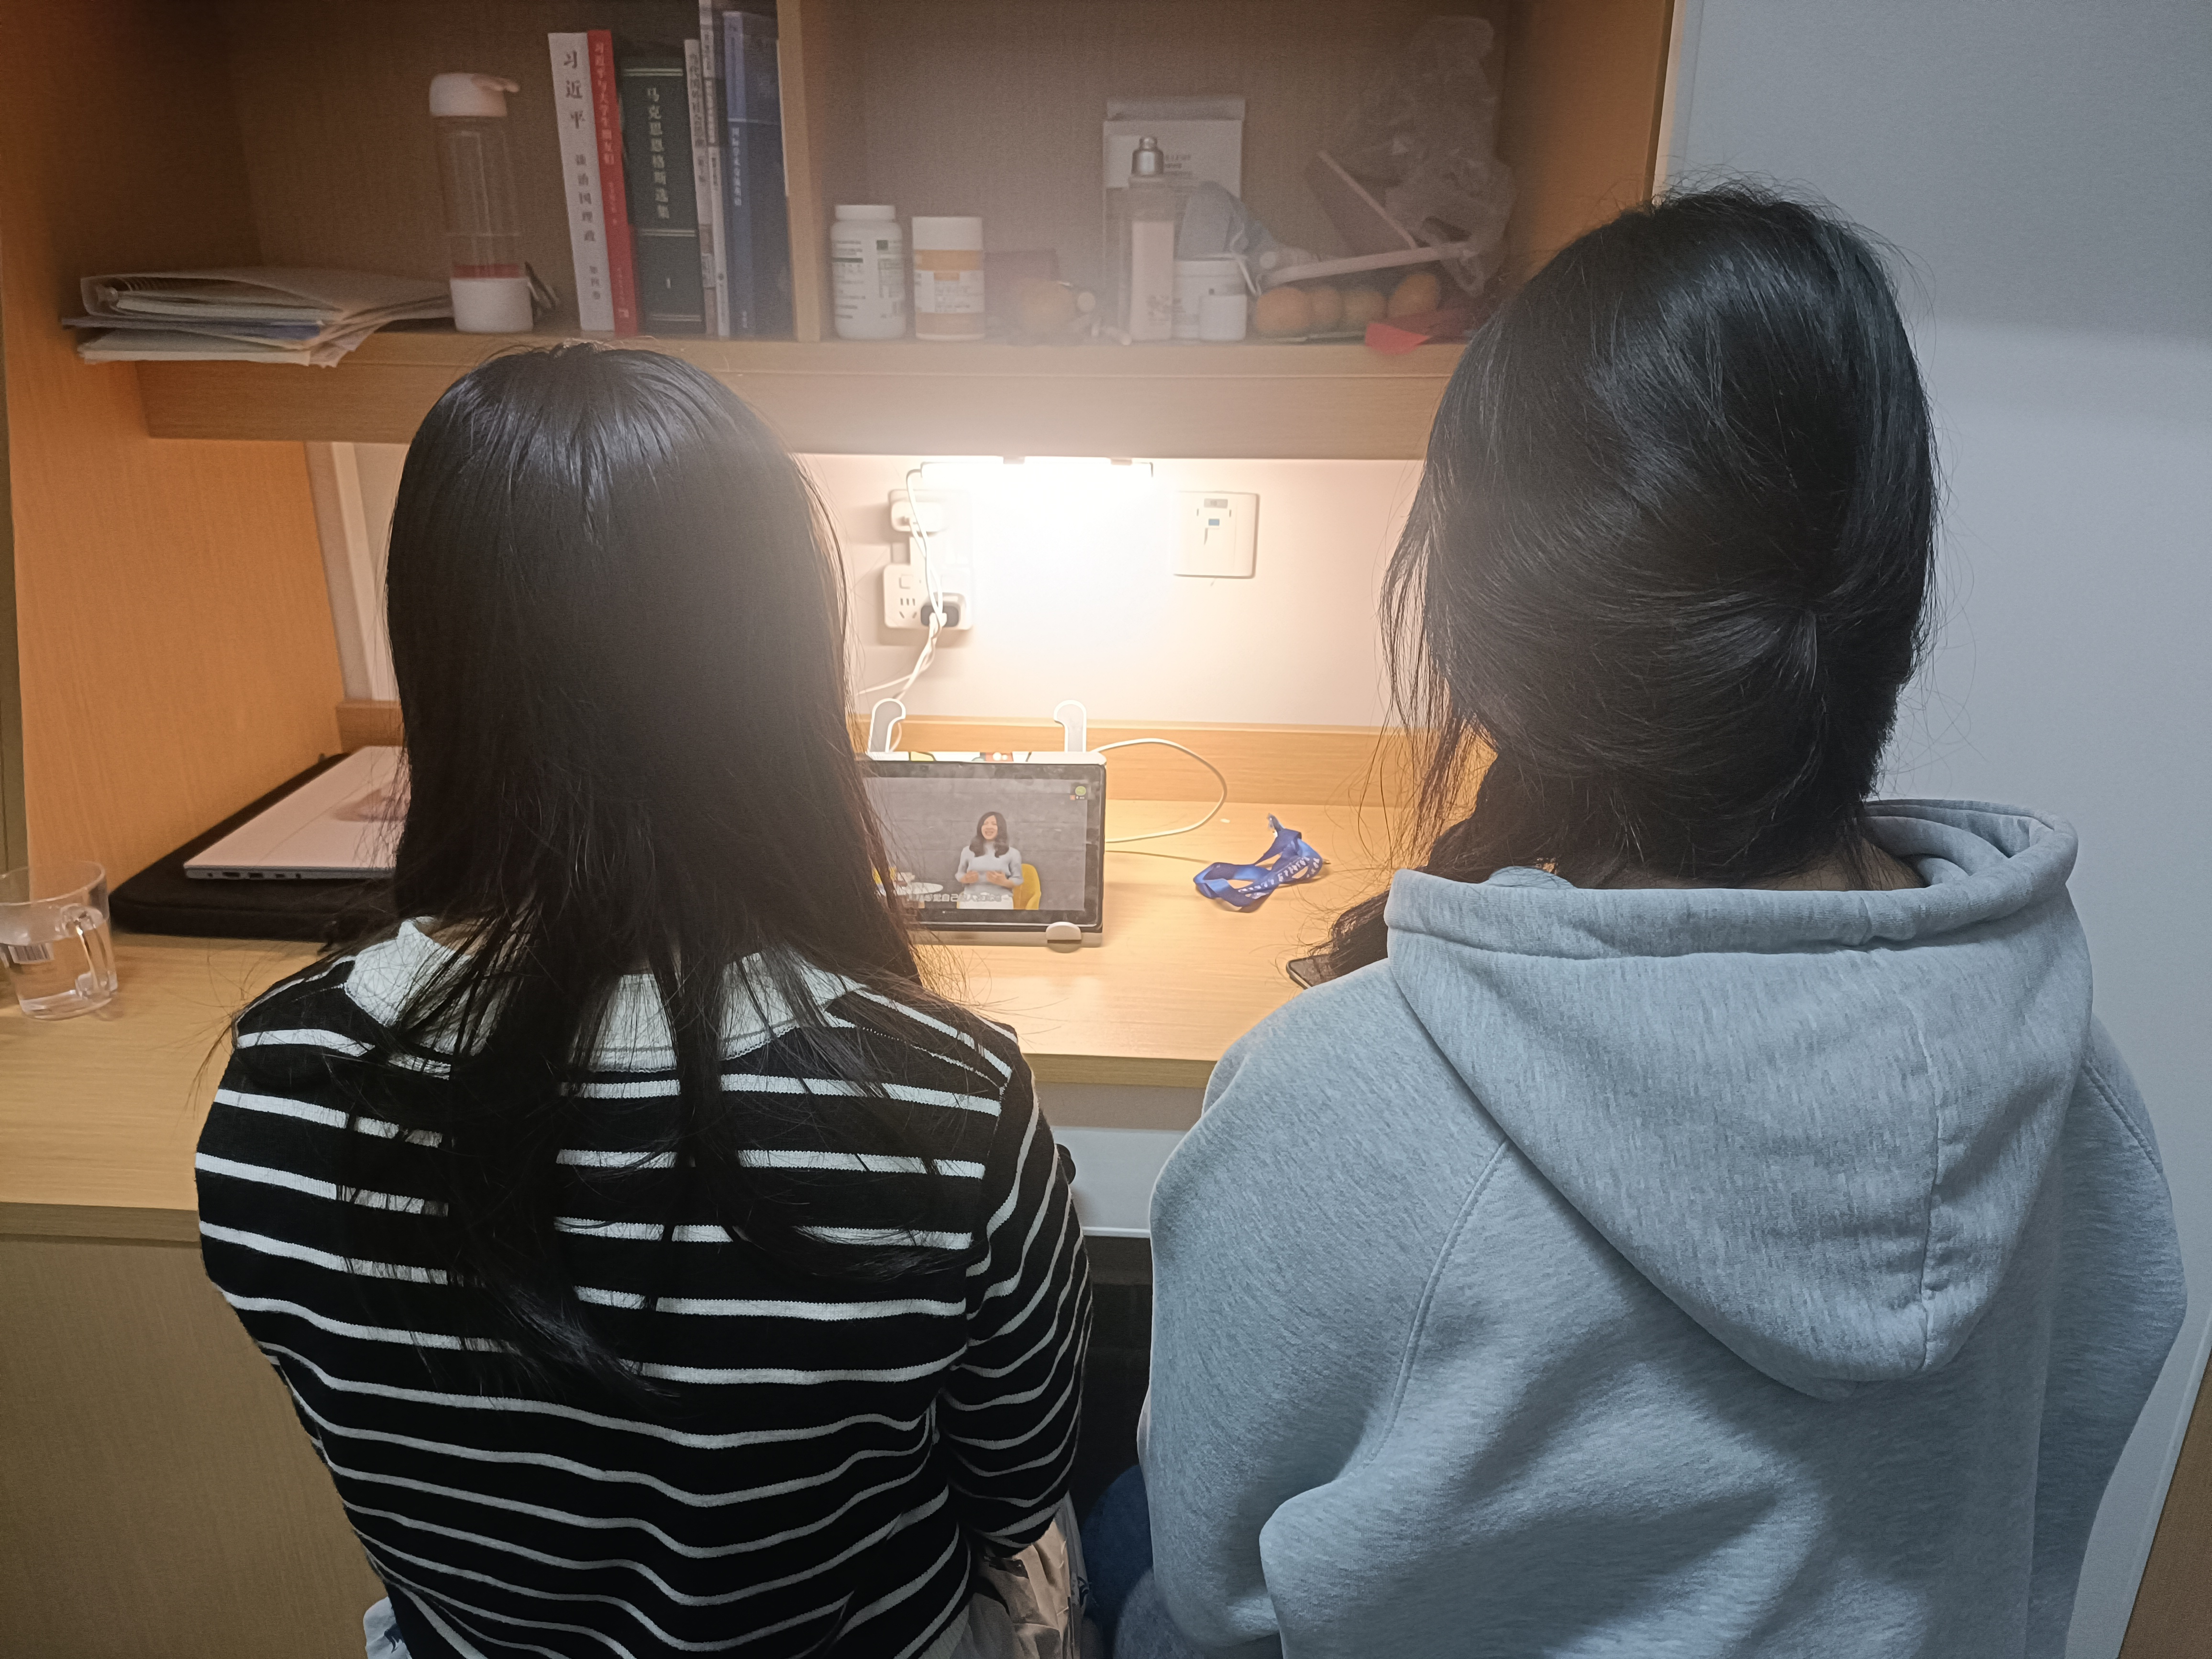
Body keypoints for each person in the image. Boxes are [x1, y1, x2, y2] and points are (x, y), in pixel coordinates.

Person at [1117, 188, 2186, 1657]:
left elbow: (1222, 1576)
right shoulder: (2065, 1066)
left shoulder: (1337, 1098)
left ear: (1495, 650)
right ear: (1880, 601)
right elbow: (2058, 1483)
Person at [195, 345, 1091, 1659]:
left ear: (434, 656)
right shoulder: (945, 1098)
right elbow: (1015, 1483)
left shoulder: (277, 1084)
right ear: (777, 669)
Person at [955, 811, 1023, 908]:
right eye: (985, 824)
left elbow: (1018, 879)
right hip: (971, 899)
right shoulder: (968, 851)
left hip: (1000, 900)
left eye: (994, 824)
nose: (989, 827)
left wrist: (1004, 882)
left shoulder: (1013, 853)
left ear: (1001, 828)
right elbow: (960, 874)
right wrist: (965, 879)